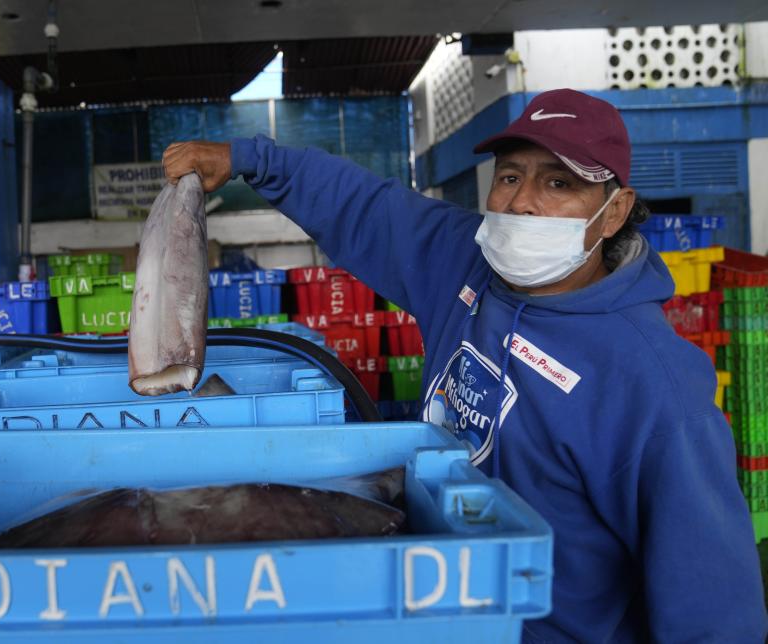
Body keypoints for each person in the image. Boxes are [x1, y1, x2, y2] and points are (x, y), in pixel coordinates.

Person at [162, 88, 768, 642]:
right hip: (437, 611)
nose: (522, 202)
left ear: (613, 212)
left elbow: (713, 606)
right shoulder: (466, 263)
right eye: (510, 176)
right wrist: (247, 157)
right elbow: (366, 207)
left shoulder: (655, 387)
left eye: (560, 184)